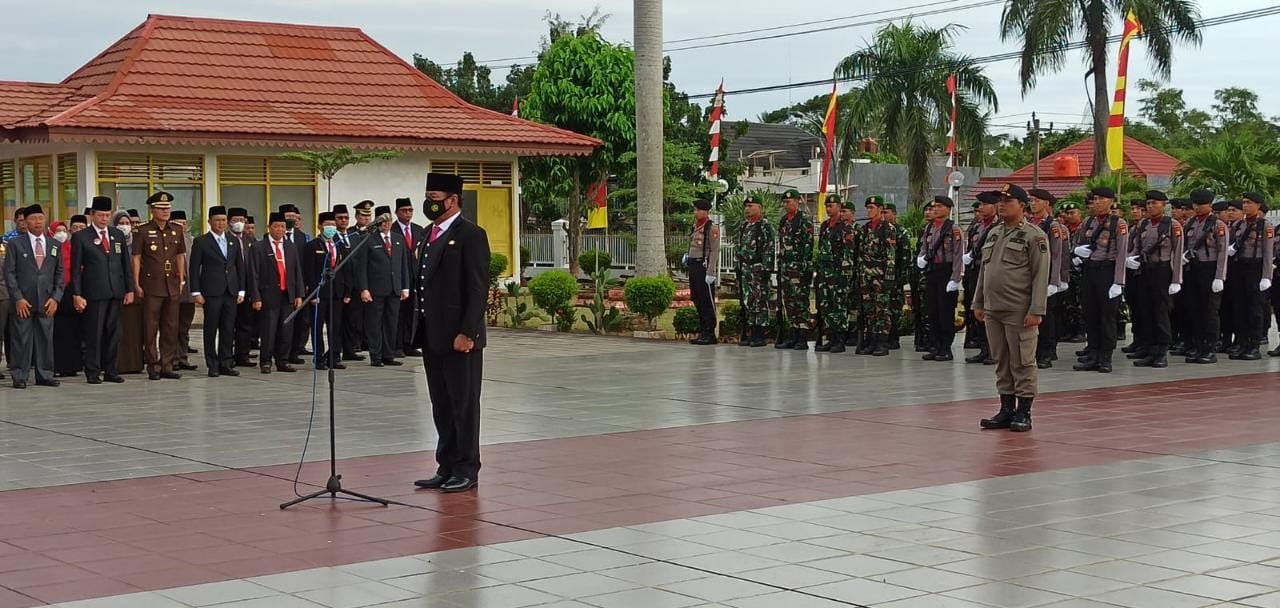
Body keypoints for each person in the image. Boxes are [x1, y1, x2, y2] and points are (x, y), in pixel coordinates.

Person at [411, 173, 490, 493]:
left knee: (464, 403)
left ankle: (467, 468)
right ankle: (445, 464)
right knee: (441, 403)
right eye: (427, 195)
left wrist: (468, 332)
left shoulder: (471, 234)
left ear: (453, 200)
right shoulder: (427, 233)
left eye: (435, 196)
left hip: (460, 338)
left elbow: (477, 287)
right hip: (432, 335)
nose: (429, 202)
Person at [974, 185, 1049, 433]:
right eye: (1000, 201)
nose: (1002, 204)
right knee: (1001, 360)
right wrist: (978, 302)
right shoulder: (994, 233)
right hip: (994, 308)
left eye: (1008, 200)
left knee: (1023, 361)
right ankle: (1006, 408)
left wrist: (1037, 309)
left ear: (1022, 206)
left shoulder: (1034, 235)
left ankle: (1024, 411)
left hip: (1019, 309)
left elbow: (1040, 275)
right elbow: (985, 272)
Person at [71, 199, 135, 384]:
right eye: (100, 215)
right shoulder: (82, 237)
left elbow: (125, 265)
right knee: (94, 333)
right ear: (92, 215)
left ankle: (111, 370)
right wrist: (77, 293)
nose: (104, 219)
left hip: (116, 291)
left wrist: (129, 289)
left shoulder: (116, 235)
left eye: (107, 215)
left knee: (114, 333)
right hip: (94, 293)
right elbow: (75, 269)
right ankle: (92, 371)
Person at [4, 205, 63, 388]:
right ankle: (19, 376)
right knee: (21, 338)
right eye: (32, 219)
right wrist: (18, 298)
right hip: (24, 300)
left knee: (46, 337)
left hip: (47, 300)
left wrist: (56, 298)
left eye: (40, 218)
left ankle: (45, 374)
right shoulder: (15, 244)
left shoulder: (54, 244)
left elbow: (59, 274)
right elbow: (9, 273)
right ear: (25, 221)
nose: (37, 222)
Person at [1071, 187, 1128, 373]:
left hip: (1107, 271)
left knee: (1107, 316)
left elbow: (1121, 253)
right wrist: (1077, 255)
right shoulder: (1088, 222)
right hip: (1090, 271)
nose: (1096, 202)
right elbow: (1080, 245)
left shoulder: (1117, 223)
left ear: (1110, 201)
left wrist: (1119, 281)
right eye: (1094, 198)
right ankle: (1093, 353)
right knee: (1090, 313)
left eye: (1101, 199)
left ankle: (1105, 357)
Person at [1124, 191, 1183, 368]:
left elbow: (1178, 253)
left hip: (1163, 271)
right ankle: (1150, 349)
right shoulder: (1143, 225)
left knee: (1161, 312)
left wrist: (1176, 279)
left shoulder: (1172, 225)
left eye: (1154, 203)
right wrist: (1130, 259)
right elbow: (1137, 247)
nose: (1150, 206)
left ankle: (1162, 352)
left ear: (1163, 205)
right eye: (1148, 203)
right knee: (1145, 310)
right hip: (1145, 271)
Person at [134, 192, 187, 381]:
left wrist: (181, 279)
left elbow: (180, 255)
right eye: (161, 208)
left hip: (171, 284)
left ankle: (167, 365)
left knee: (171, 326)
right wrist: (136, 283)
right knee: (150, 326)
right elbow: (137, 258)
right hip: (151, 284)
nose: (165, 212)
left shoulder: (177, 230)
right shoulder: (142, 231)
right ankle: (153, 365)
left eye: (168, 208)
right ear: (152, 210)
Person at [189, 206, 246, 377]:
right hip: (211, 292)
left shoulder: (233, 240)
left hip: (231, 291)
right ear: (209, 221)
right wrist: (195, 292)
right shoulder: (201, 241)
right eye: (217, 220)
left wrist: (241, 290)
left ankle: (225, 363)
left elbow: (239, 267)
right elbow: (194, 268)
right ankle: (212, 364)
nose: (220, 223)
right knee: (211, 329)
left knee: (228, 329)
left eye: (223, 220)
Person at [249, 212, 304, 373]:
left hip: (287, 295)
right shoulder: (259, 247)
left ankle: (283, 360)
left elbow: (297, 272)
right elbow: (253, 274)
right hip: (268, 295)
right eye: (276, 226)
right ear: (269, 227)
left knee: (286, 330)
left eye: (282, 226)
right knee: (268, 330)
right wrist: (256, 297)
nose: (280, 229)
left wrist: (299, 294)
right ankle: (266, 361)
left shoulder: (290, 247)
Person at [356, 206, 410, 366]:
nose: (386, 223)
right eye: (383, 220)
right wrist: (364, 288)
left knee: (391, 322)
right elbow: (362, 268)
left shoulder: (398, 238)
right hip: (375, 289)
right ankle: (376, 355)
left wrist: (405, 286)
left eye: (389, 220)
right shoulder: (368, 239)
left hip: (394, 288)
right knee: (375, 323)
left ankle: (388, 354)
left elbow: (403, 265)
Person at [1182, 188, 1229, 364]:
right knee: (1195, 309)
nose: (1196, 207)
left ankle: (1210, 347)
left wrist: (1219, 276)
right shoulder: (1191, 222)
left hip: (1210, 269)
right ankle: (1198, 345)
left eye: (1200, 204)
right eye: (1194, 204)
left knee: (1210, 311)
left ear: (1209, 205)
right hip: (1193, 269)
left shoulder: (1217, 225)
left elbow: (1222, 252)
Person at [916, 195, 964, 361]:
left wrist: (955, 278)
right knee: (932, 310)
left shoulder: (953, 229)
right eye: (934, 206)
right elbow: (924, 246)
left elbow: (958, 255)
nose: (935, 209)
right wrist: (920, 258)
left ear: (948, 209)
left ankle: (946, 348)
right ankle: (936, 346)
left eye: (939, 206)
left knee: (945, 312)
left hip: (946, 271)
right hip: (932, 271)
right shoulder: (929, 227)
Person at [1227, 192, 1273, 360]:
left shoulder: (1264, 225)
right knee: (1240, 307)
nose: (1245, 205)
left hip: (1256, 268)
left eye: (1249, 203)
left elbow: (1268, 252)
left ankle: (1254, 344)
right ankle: (1242, 342)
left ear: (1258, 205)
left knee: (1255, 308)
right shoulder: (1238, 224)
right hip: (1240, 267)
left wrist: (1267, 276)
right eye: (1244, 202)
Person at [304, 212, 349, 370]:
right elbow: (309, 271)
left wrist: (346, 292)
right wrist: (312, 293)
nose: (331, 228)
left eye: (333, 225)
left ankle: (334, 356)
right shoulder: (312, 246)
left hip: (336, 293)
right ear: (319, 226)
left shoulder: (340, 244)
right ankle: (319, 358)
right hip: (319, 293)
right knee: (317, 327)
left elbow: (344, 270)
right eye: (327, 225)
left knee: (335, 326)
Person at [855, 195, 898, 356]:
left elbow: (890, 255)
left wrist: (889, 277)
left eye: (872, 208)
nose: (869, 210)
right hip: (866, 276)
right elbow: (860, 253)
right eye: (867, 207)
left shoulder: (888, 229)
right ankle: (872, 341)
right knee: (869, 310)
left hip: (880, 276)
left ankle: (882, 342)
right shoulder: (865, 228)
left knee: (882, 310)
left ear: (880, 209)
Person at [1027, 189, 1066, 368]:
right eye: (1031, 201)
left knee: (1046, 316)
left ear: (1047, 204)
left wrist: (1054, 281)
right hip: (1029, 275)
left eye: (1036, 201)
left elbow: (1057, 255)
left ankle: (1047, 352)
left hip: (1046, 275)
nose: (1032, 203)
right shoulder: (1027, 223)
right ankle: (1033, 351)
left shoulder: (1052, 226)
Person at [775, 189, 814, 350]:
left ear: (798, 201)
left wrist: (804, 267)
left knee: (800, 302)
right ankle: (793, 335)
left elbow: (808, 244)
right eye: (784, 202)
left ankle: (802, 337)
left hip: (799, 268)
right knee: (789, 302)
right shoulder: (784, 220)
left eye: (789, 202)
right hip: (785, 268)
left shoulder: (804, 220)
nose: (786, 205)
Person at [814, 195, 852, 353]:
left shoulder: (845, 227)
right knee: (826, 306)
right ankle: (830, 338)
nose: (829, 209)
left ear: (839, 207)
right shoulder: (824, 226)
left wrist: (845, 274)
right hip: (825, 273)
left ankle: (840, 340)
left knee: (839, 307)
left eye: (832, 206)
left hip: (838, 273)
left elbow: (848, 252)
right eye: (827, 206)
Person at [735, 195, 774, 347]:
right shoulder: (744, 226)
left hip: (758, 269)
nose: (748, 209)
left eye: (751, 206)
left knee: (760, 301)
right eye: (746, 206)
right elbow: (739, 247)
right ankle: (751, 332)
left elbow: (769, 248)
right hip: (746, 270)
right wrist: (737, 267)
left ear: (760, 208)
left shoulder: (764, 226)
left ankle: (760, 334)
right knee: (748, 300)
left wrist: (766, 269)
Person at [393, 198, 426, 357]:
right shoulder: (392, 229)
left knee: (412, 313)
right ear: (397, 212)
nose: (408, 213)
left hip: (415, 276)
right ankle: (396, 344)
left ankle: (409, 343)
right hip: (398, 277)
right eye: (404, 210)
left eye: (410, 210)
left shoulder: (419, 229)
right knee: (398, 313)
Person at [50, 221, 83, 379]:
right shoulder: (50, 247)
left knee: (74, 330)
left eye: (64, 230)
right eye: (58, 230)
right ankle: (57, 365)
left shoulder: (72, 247)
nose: (62, 234)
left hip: (72, 292)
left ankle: (72, 365)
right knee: (57, 332)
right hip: (55, 293)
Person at [280, 204, 312, 364]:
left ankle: (295, 351)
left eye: (294, 217)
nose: (291, 220)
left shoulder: (301, 237)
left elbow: (305, 263)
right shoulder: (271, 236)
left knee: (302, 320)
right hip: (282, 286)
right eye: (287, 217)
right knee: (285, 321)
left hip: (300, 285)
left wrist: (305, 283)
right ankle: (281, 353)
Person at [686, 199, 720, 345]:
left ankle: (710, 332)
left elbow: (714, 250)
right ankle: (702, 331)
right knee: (697, 298)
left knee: (707, 300)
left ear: (706, 211)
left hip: (704, 266)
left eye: (698, 210)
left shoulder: (711, 228)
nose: (696, 212)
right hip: (694, 265)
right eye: (695, 210)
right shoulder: (695, 226)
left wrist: (711, 272)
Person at [333, 204, 365, 362]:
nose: (344, 221)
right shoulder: (332, 238)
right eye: (340, 218)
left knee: (352, 320)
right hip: (339, 286)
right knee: (337, 321)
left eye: (346, 218)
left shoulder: (353, 236)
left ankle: (349, 349)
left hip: (353, 285)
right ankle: (335, 353)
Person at [227, 207, 257, 368]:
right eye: (235, 220)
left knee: (245, 324)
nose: (239, 223)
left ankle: (242, 355)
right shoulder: (225, 238)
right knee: (228, 324)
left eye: (242, 220)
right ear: (228, 222)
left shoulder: (250, 240)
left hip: (247, 287)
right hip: (230, 288)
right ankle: (226, 355)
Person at [171, 210, 198, 371]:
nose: (182, 226)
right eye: (178, 223)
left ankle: (182, 357)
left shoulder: (192, 240)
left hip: (188, 290)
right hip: (173, 288)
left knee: (184, 326)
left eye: (184, 223)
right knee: (171, 325)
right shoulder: (168, 239)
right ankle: (171, 358)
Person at [885, 203, 913, 350]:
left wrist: (901, 278)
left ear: (894, 214)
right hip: (883, 278)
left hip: (896, 278)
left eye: (887, 212)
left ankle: (894, 338)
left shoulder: (901, 232)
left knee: (895, 309)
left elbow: (906, 257)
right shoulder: (882, 231)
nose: (884, 215)